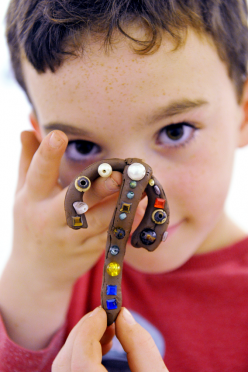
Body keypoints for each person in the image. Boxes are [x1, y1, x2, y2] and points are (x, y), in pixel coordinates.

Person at [1, 0, 248, 371]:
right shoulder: (51, 275)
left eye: (174, 131)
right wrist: (32, 281)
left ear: (243, 112)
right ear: (42, 141)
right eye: (83, 147)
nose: (132, 202)